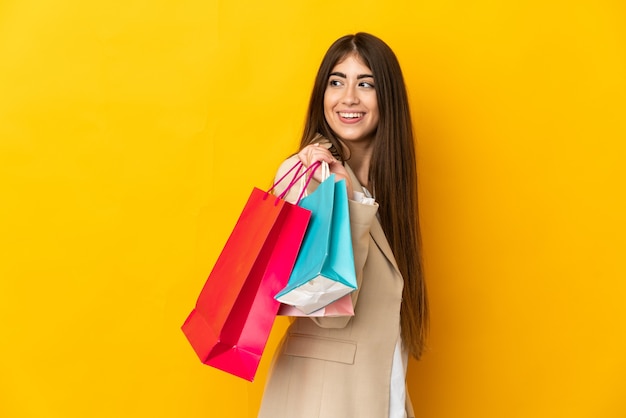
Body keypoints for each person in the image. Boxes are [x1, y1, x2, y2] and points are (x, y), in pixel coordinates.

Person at [258, 32, 428, 418]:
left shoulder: (386, 187)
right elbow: (319, 304)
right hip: (323, 401)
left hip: (379, 394)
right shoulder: (307, 174)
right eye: (337, 81)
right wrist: (349, 200)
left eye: (365, 83)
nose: (348, 97)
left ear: (388, 99)